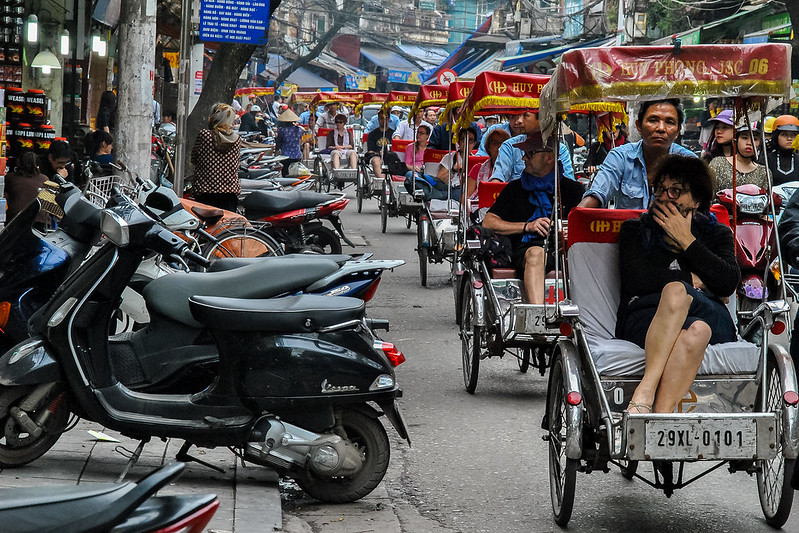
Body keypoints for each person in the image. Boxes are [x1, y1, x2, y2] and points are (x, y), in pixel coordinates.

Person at [616, 154, 738, 414]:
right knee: (696, 328)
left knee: (677, 292)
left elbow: (727, 283)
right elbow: (637, 280)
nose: (665, 197)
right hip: (648, 316)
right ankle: (659, 418)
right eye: (661, 189)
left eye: (676, 191)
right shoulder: (636, 230)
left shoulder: (717, 234)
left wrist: (686, 240)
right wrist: (695, 280)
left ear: (696, 200)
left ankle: (644, 395)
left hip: (708, 311)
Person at [482, 132, 584, 304]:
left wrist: (567, 235)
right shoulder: (515, 189)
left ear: (549, 158)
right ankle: (537, 322)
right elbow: (489, 222)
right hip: (527, 251)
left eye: (529, 154)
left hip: (566, 251)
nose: (524, 159)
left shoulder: (573, 190)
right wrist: (527, 226)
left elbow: (585, 225)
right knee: (536, 254)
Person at [579, 99, 696, 209]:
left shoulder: (689, 162)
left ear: (677, 131)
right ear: (639, 126)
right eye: (653, 120)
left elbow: (699, 206)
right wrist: (578, 216)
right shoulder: (620, 156)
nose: (661, 128)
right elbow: (597, 193)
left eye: (669, 122)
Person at [488, 111, 574, 182]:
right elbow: (498, 177)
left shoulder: (560, 149)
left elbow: (568, 179)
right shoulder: (509, 146)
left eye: (525, 116)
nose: (519, 121)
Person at [190, 103, 241, 212]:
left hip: (206, 192)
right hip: (230, 192)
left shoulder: (205, 135)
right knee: (226, 226)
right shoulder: (236, 139)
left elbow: (194, 158)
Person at [709, 124, 767, 191]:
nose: (749, 143)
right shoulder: (718, 163)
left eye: (755, 139)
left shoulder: (764, 173)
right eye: (744, 138)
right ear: (735, 141)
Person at [4, 151, 49, 225]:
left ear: (19, 163)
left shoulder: (10, 177)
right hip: (39, 220)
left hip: (15, 219)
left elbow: (6, 197)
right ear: (37, 165)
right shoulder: (44, 179)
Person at [766, 114, 799, 185]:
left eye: (793, 134)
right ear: (776, 136)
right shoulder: (766, 160)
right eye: (784, 134)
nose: (789, 138)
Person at [364, 109, 395, 180]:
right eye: (381, 118)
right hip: (376, 156)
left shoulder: (393, 134)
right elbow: (370, 151)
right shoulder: (372, 134)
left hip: (390, 156)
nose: (384, 121)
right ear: (378, 119)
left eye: (386, 118)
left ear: (389, 119)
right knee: (376, 161)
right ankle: (383, 180)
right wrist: (379, 153)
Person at [275, 109, 304, 177]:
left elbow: (278, 143)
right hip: (297, 155)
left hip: (286, 156)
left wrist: (276, 152)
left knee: (285, 173)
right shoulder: (299, 129)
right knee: (296, 173)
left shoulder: (281, 130)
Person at [403, 123, 432, 188]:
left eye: (421, 133)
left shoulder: (431, 148)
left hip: (428, 172)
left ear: (427, 135)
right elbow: (407, 164)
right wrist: (414, 168)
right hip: (414, 172)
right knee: (411, 175)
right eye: (418, 133)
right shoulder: (410, 147)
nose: (418, 135)